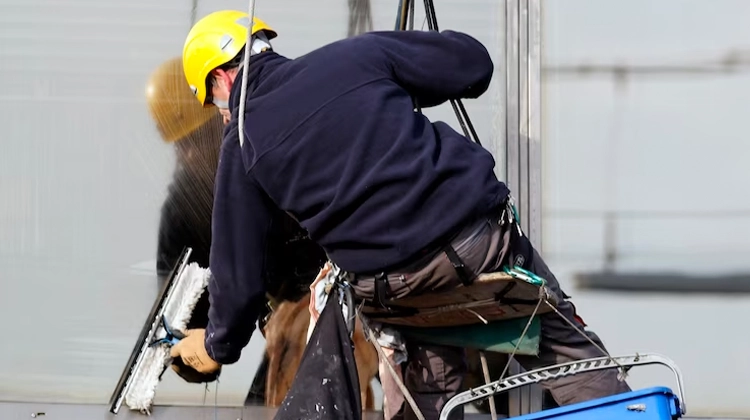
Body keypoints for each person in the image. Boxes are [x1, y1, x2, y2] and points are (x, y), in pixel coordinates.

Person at [170, 9, 632, 420]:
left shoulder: (243, 142)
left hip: (393, 287)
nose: (222, 118)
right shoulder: (355, 58)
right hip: (477, 246)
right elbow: (473, 63)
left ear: (220, 80)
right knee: (563, 352)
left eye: (214, 106)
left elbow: (238, 268)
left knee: (428, 379)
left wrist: (218, 347)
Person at [145, 55, 375, 398]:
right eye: (182, 145)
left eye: (198, 138)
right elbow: (194, 323)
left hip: (362, 293)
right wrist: (189, 350)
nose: (191, 154)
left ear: (223, 116)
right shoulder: (184, 212)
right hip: (291, 324)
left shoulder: (279, 154)